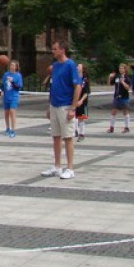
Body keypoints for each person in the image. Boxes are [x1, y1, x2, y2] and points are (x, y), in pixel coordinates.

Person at [41, 39, 83, 179]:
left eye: (55, 49)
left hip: (65, 106)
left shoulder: (70, 65)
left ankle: (70, 168)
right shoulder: (55, 66)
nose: (53, 51)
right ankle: (57, 166)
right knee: (56, 137)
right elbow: (53, 87)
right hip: (55, 105)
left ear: (62, 50)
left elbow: (77, 86)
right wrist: (50, 106)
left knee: (68, 137)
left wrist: (73, 107)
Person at [107, 63, 132, 134]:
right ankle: (111, 127)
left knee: (125, 112)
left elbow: (128, 87)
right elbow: (110, 84)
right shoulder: (117, 76)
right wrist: (110, 77)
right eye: (119, 68)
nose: (120, 69)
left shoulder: (127, 77)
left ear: (125, 69)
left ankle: (127, 127)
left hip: (124, 97)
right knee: (113, 112)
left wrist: (123, 82)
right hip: (116, 97)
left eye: (122, 68)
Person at [1, 60, 23, 137]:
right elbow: (2, 84)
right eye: (11, 65)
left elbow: (19, 87)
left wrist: (13, 81)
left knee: (12, 112)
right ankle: (7, 128)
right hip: (6, 96)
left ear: (16, 67)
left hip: (14, 96)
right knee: (6, 113)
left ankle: (13, 130)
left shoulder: (18, 75)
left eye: (14, 65)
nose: (12, 66)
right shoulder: (6, 75)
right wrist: (2, 91)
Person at [74, 63, 90, 141]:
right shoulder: (75, 78)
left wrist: (81, 100)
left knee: (81, 118)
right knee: (73, 116)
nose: (77, 67)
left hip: (82, 101)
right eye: (77, 66)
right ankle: (75, 131)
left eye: (79, 66)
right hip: (74, 100)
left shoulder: (85, 79)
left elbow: (86, 92)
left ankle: (82, 134)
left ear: (83, 69)